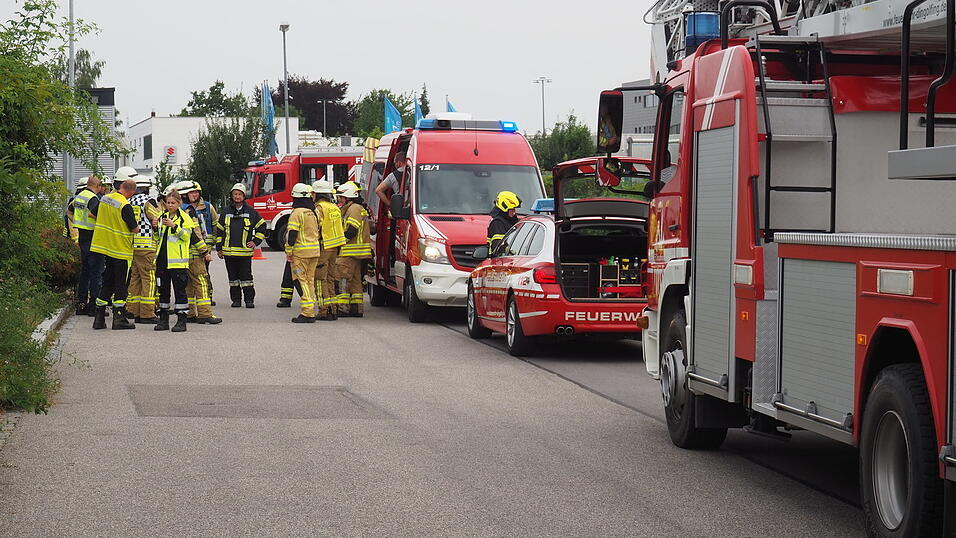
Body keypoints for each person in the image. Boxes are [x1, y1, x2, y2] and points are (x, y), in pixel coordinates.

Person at [90, 178, 139, 330]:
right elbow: (134, 229)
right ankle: (119, 318)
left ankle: (99, 319)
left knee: (107, 283)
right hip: (121, 250)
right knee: (121, 285)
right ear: (131, 191)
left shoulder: (105, 199)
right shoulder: (125, 205)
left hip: (106, 248)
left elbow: (92, 214)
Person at [153, 190, 204, 332]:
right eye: (168, 203)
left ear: (179, 203)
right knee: (163, 291)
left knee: (180, 291)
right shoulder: (162, 216)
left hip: (178, 262)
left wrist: (174, 226)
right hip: (162, 260)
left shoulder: (185, 218)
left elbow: (186, 237)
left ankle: (182, 320)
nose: (170, 205)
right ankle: (163, 320)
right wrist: (155, 227)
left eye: (173, 203)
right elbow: (158, 237)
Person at [216, 183, 266, 308]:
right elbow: (220, 231)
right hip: (229, 254)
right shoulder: (226, 212)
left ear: (244, 196)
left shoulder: (251, 211)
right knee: (233, 279)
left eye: (240, 194)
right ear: (231, 196)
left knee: (246, 279)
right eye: (235, 194)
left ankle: (249, 300)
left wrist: (255, 241)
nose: (237, 197)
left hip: (245, 253)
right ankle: (236, 300)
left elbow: (262, 226)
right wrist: (219, 248)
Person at [178, 181, 220, 324]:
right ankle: (205, 314)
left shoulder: (176, 210)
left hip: (182, 254)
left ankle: (190, 313)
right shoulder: (189, 211)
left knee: (189, 285)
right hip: (195, 253)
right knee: (201, 282)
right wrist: (204, 251)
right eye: (191, 192)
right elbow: (195, 234)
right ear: (184, 194)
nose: (194, 195)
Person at [126, 175, 162, 324]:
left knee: (135, 279)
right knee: (149, 279)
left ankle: (133, 310)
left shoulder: (129, 201)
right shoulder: (147, 202)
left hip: (133, 246)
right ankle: (147, 314)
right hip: (147, 246)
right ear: (146, 188)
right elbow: (157, 220)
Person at [68, 175, 105, 316]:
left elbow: (68, 211)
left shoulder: (79, 197)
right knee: (96, 273)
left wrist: (77, 222)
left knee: (85, 272)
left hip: (83, 236)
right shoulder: (93, 199)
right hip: (94, 237)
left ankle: (81, 303)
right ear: (98, 186)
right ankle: (93, 306)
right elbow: (98, 215)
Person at [334, 182, 373, 318]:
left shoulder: (354, 209)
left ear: (347, 197)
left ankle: (343, 308)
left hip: (349, 252)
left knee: (342, 278)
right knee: (356, 281)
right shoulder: (356, 208)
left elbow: (352, 230)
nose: (339, 200)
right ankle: (356, 308)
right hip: (357, 252)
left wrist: (339, 242)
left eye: (341, 197)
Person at [286, 183, 321, 323]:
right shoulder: (314, 211)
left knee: (300, 280)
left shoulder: (297, 213)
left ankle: (307, 312)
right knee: (309, 280)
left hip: (301, 253)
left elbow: (292, 234)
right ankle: (311, 308)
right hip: (314, 251)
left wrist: (289, 251)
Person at [312, 179, 345, 320]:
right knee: (331, 278)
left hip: (324, 247)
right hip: (335, 247)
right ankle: (333, 309)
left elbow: (317, 227)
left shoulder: (319, 208)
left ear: (317, 194)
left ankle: (324, 311)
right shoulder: (334, 207)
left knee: (320, 280)